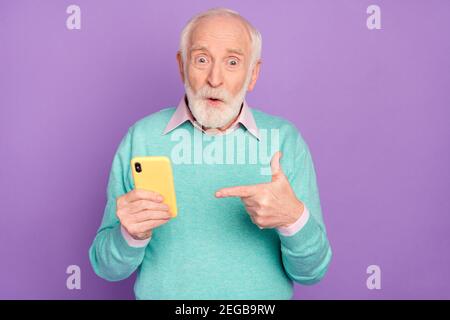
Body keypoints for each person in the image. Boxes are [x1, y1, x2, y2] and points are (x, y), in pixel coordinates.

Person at [89, 7, 332, 299]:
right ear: (182, 66)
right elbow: (106, 268)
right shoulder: (141, 138)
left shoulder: (285, 141)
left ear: (252, 74)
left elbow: (312, 273)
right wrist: (130, 236)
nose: (214, 79)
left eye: (232, 62)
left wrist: (293, 220)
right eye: (202, 59)